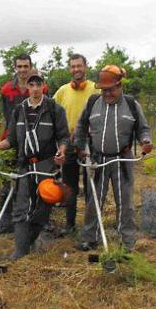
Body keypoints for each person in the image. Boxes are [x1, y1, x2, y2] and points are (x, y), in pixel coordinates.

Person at [0, 70, 69, 259]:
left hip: (47, 165)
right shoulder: (19, 111)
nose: (35, 88)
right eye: (31, 85)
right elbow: (11, 140)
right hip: (24, 165)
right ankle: (20, 251)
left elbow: (63, 137)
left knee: (44, 206)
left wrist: (62, 151)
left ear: (43, 86)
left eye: (38, 84)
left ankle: (29, 241)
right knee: (21, 207)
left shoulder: (55, 109)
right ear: (26, 87)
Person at [73, 65, 153, 252]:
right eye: (104, 90)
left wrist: (146, 141)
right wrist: (79, 146)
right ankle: (89, 238)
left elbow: (143, 129)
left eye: (111, 89)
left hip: (123, 161)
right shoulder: (93, 103)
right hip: (97, 160)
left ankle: (126, 241)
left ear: (120, 85)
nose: (107, 93)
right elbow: (81, 126)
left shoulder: (131, 105)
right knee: (94, 200)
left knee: (125, 203)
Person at [0, 54, 49, 234]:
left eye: (26, 66)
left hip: (36, 142)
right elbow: (7, 116)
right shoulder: (6, 90)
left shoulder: (40, 87)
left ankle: (38, 220)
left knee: (38, 180)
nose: (23, 70)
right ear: (15, 68)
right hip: (13, 139)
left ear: (30, 66)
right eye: (20, 66)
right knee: (9, 182)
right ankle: (5, 221)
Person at [52, 53, 99, 236]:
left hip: (91, 144)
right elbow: (51, 111)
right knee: (69, 186)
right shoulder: (63, 91)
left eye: (79, 66)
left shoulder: (96, 89)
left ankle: (90, 226)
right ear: (69, 69)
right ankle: (70, 224)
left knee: (91, 186)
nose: (76, 69)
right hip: (68, 145)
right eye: (73, 66)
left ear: (85, 67)